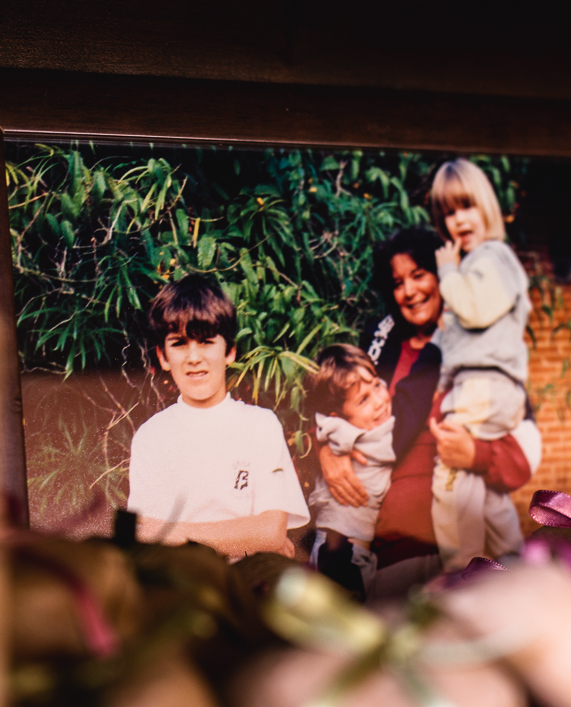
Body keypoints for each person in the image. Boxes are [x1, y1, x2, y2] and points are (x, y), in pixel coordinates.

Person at [317, 226, 540, 596]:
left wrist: (478, 454)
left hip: (470, 551)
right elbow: (340, 402)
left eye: (419, 275)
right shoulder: (383, 348)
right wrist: (328, 448)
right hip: (391, 556)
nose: (409, 291)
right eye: (398, 282)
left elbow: (522, 449)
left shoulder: (485, 348)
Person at [126, 274, 309, 559]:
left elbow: (271, 532)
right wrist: (248, 537)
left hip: (246, 574)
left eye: (206, 341)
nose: (194, 357)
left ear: (230, 351)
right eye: (179, 343)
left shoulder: (260, 426)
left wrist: (170, 533)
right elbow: (142, 537)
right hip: (180, 574)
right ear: (162, 356)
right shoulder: (151, 437)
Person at [427, 158, 533, 569]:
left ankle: (461, 573)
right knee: (484, 492)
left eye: (466, 206)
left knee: (451, 482)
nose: (458, 220)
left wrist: (448, 272)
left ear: (487, 205)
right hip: (485, 386)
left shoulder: (492, 257)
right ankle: (512, 566)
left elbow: (473, 312)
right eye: (448, 213)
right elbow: (459, 338)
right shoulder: (478, 266)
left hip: (484, 385)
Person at [305, 344, 395, 597]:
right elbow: (402, 436)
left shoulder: (339, 423)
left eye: (377, 385)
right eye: (363, 400)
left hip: (352, 546)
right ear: (338, 415)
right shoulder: (357, 436)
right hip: (340, 550)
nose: (379, 401)